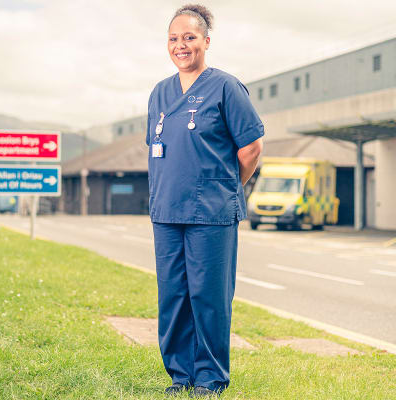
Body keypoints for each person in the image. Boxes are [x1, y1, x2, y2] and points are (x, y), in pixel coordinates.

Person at [146, 4, 264, 397]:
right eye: (174, 38)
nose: (181, 45)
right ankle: (180, 377)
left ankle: (210, 380)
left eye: (190, 37)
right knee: (174, 297)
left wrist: (224, 186)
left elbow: (251, 148)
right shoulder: (159, 93)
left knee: (209, 298)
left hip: (211, 213)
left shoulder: (226, 87)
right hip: (166, 211)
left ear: (206, 42)